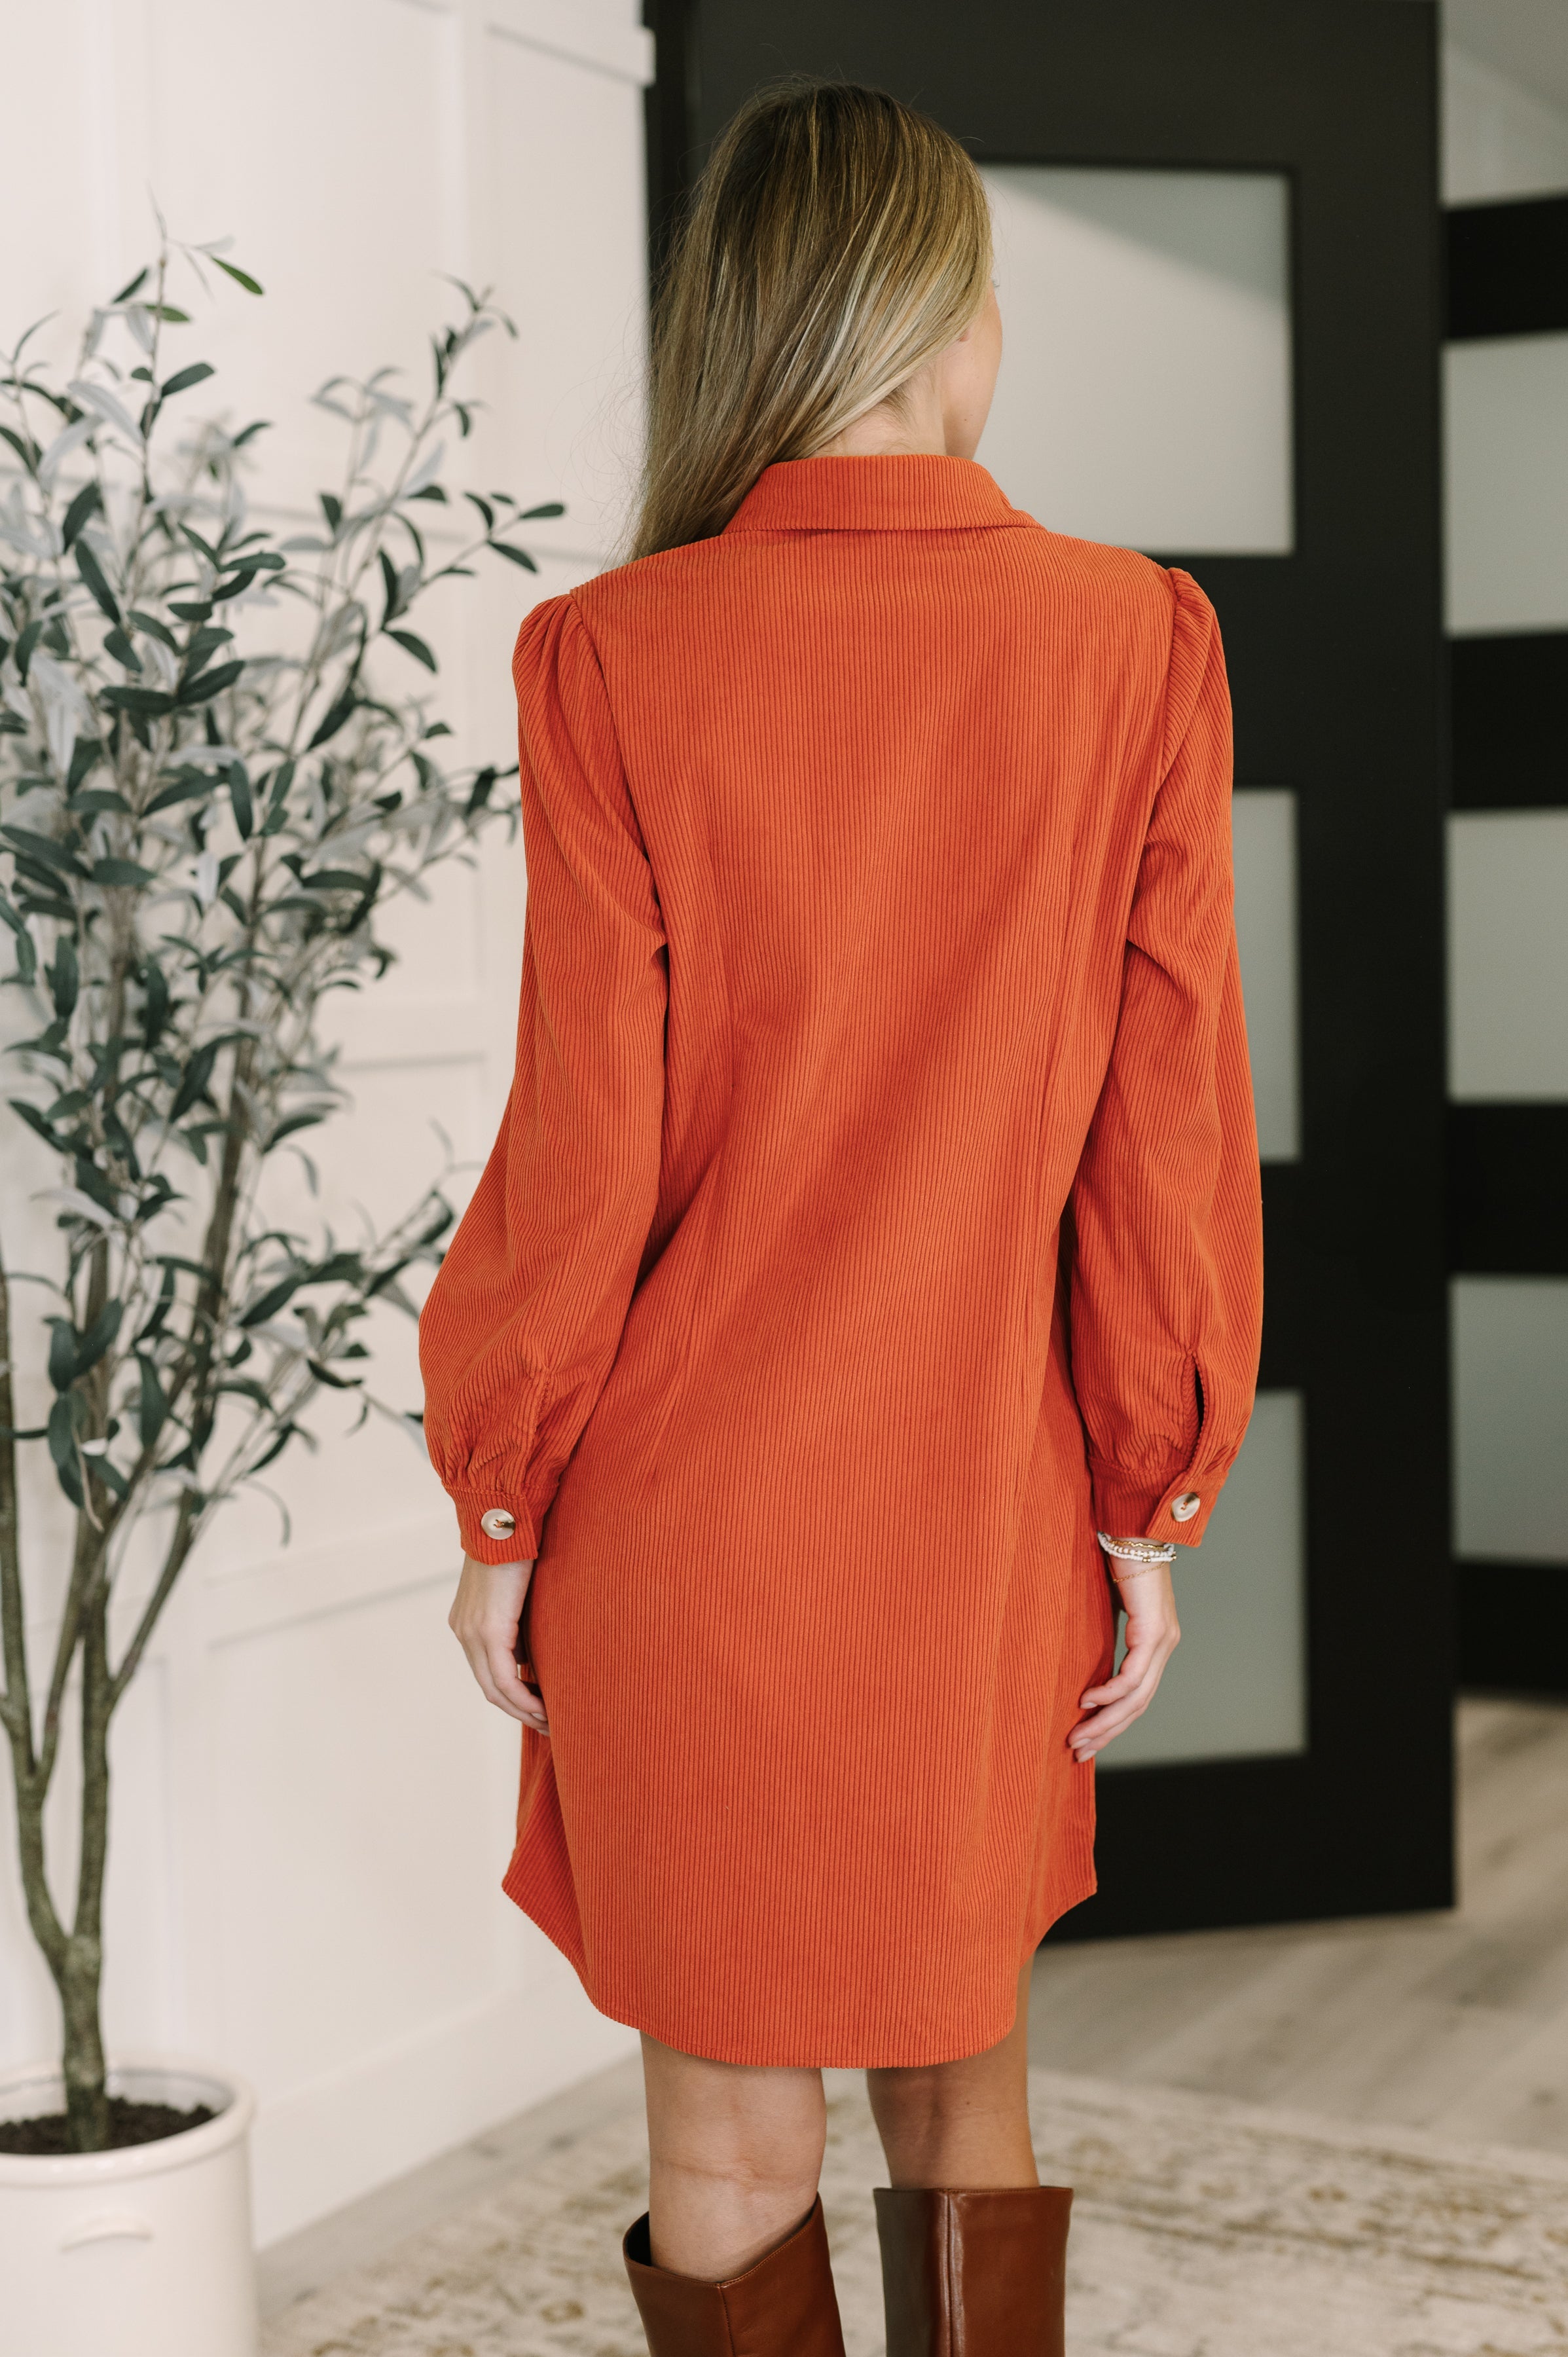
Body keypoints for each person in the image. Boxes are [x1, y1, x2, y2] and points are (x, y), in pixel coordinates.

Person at [419, 77, 1262, 2357]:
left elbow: (580, 1146)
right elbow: (1162, 1134)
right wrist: (1147, 1499)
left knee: (722, 2149)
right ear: (954, 321)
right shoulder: (1133, 640)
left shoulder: (612, 652)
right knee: (960, 2090)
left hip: (681, 1535)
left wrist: (502, 1500)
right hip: (975, 1516)